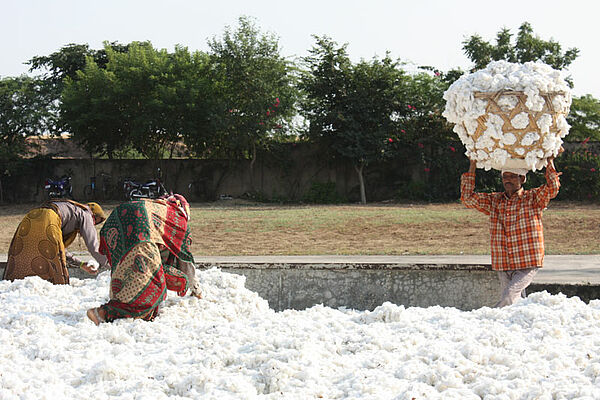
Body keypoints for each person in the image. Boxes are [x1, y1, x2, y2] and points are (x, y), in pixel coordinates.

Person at [460, 150, 562, 307]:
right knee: (515, 302)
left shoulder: (533, 198)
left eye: (513, 176)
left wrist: (549, 161)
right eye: (505, 177)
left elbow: (553, 188)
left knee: (508, 296)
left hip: (528, 260)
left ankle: (490, 318)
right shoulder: (494, 201)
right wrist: (473, 164)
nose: (508, 180)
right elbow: (467, 198)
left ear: (522, 178)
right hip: (504, 261)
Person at [86, 194, 201, 325]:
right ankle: (102, 313)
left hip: (116, 220)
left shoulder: (157, 207)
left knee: (123, 270)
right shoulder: (179, 222)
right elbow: (185, 262)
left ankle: (118, 302)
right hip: (140, 229)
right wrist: (196, 289)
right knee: (153, 284)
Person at [2, 199, 108, 284]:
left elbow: (58, 249)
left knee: (25, 252)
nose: (92, 225)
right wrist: (110, 265)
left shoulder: (69, 212)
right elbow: (93, 247)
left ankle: (14, 282)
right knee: (56, 274)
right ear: (93, 214)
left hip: (30, 217)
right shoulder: (86, 213)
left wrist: (80, 264)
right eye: (94, 221)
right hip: (48, 217)